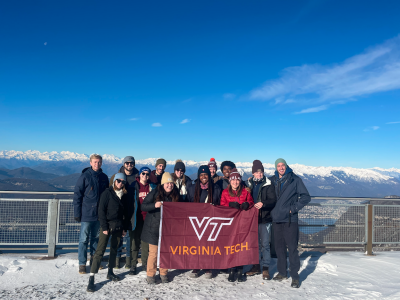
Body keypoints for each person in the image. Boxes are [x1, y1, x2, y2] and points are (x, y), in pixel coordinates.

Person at [86, 173, 132, 293]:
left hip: (118, 226)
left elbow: (126, 213)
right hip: (107, 226)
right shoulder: (107, 193)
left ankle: (110, 272)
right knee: (100, 250)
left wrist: (124, 228)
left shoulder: (124, 195)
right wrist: (104, 227)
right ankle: (92, 277)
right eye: (118, 181)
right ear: (114, 181)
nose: (120, 183)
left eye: (123, 182)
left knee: (114, 249)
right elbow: (101, 210)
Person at [270, 158, 311, 288]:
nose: (281, 168)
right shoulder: (272, 180)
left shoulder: (295, 180)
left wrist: (292, 209)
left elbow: (306, 197)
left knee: (292, 248)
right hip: (277, 219)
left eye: (283, 165)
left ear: (286, 166)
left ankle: (295, 276)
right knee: (279, 248)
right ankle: (282, 272)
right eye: (279, 166)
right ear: (276, 168)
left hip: (289, 220)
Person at [141, 172, 183, 284]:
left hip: (168, 228)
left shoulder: (175, 193)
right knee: (153, 253)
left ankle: (163, 273)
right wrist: (154, 205)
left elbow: (180, 208)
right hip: (153, 228)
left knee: (165, 252)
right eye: (167, 183)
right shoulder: (155, 192)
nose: (170, 185)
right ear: (163, 183)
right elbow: (143, 205)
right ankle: (150, 274)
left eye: (171, 183)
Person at [73, 154, 109, 274]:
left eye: (99, 162)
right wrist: (77, 213)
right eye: (95, 162)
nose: (97, 164)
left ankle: (94, 261)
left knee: (96, 239)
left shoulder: (104, 177)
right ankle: (82, 264)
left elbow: (107, 196)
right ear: (90, 163)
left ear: (101, 163)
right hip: (86, 214)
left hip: (99, 214)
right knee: (83, 239)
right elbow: (77, 195)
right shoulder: (84, 176)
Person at [186, 165, 221, 279]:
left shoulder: (216, 189)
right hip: (196, 222)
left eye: (206, 174)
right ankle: (196, 266)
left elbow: (220, 205)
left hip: (210, 221)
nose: (204, 177)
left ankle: (207, 266)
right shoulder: (192, 189)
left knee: (208, 245)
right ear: (198, 176)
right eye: (201, 175)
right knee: (196, 245)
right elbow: (186, 205)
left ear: (209, 175)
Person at [220, 168, 254, 282]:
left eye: (237, 180)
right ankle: (231, 269)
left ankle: (240, 269)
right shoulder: (225, 192)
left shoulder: (245, 191)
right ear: (230, 181)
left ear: (240, 181)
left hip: (242, 224)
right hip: (230, 224)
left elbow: (251, 202)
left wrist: (247, 204)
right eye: (233, 180)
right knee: (231, 246)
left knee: (241, 247)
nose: (235, 182)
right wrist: (229, 205)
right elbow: (222, 205)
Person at [245, 160, 277, 280]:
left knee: (265, 245)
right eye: (257, 172)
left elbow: (273, 200)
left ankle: (265, 268)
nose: (259, 174)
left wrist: (263, 204)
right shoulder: (248, 183)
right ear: (253, 173)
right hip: (252, 219)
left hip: (264, 218)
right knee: (255, 245)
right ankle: (256, 265)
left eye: (261, 172)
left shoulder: (268, 184)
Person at [110, 156, 139, 269]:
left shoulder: (138, 176)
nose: (129, 165)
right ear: (124, 164)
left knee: (128, 237)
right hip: (119, 209)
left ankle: (128, 260)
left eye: (131, 163)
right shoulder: (116, 176)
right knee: (118, 235)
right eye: (127, 163)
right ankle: (117, 259)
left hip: (131, 208)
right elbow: (111, 191)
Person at [129, 166, 157, 275]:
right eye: (143, 173)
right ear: (139, 174)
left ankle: (145, 263)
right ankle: (133, 264)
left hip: (148, 219)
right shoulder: (133, 186)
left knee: (145, 243)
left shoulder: (152, 187)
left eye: (147, 174)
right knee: (134, 242)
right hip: (136, 218)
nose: (145, 176)